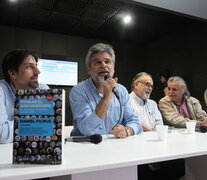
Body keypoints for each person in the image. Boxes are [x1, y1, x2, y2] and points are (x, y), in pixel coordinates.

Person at [69, 43, 142, 138]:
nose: (103, 65)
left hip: (115, 146)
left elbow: (135, 122)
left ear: (113, 67)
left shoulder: (121, 90)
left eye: (107, 61)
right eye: (97, 62)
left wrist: (127, 130)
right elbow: (86, 130)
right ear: (89, 69)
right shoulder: (78, 91)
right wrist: (106, 98)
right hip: (87, 147)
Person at [0, 49, 49, 144]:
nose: (38, 71)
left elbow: (53, 126)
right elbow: (2, 133)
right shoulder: (1, 90)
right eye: (29, 67)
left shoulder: (43, 89)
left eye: (36, 66)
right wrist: (39, 124)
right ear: (13, 73)